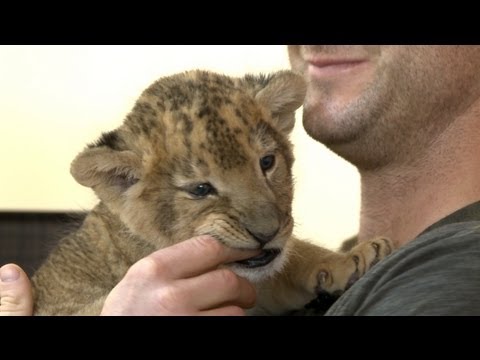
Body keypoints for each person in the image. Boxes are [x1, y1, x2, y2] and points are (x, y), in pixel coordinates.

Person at [2, 45, 480, 316]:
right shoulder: (361, 265)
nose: (265, 220)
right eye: (202, 189)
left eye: (266, 164)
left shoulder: (452, 281)